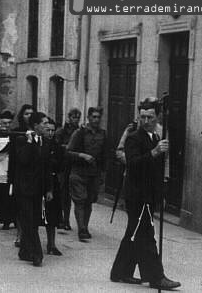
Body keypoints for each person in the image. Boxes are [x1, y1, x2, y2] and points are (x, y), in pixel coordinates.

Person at [110, 98, 180, 290]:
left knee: (134, 232)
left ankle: (120, 272)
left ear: (157, 117)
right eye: (142, 117)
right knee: (146, 236)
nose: (146, 120)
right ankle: (157, 277)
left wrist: (161, 193)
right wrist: (154, 153)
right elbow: (132, 164)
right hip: (136, 196)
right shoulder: (134, 138)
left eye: (149, 117)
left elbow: (157, 171)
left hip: (149, 195)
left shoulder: (156, 138)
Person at [14, 112, 54, 267]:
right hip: (23, 189)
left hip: (38, 190)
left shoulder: (45, 142)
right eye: (43, 124)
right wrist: (30, 143)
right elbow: (22, 160)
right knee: (28, 221)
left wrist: (49, 189)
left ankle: (24, 251)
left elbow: (47, 167)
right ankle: (37, 254)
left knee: (33, 221)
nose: (46, 126)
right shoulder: (21, 140)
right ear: (35, 125)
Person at [67, 107, 108, 242]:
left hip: (94, 174)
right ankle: (82, 229)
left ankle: (85, 226)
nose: (96, 120)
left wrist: (102, 174)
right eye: (93, 117)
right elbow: (68, 152)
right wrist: (82, 155)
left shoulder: (103, 134)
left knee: (89, 201)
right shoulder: (79, 133)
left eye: (98, 117)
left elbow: (105, 155)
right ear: (88, 118)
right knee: (80, 200)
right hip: (78, 172)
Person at [9, 104, 35, 247]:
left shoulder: (37, 130)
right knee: (19, 206)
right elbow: (13, 156)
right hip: (19, 172)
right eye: (26, 113)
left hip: (33, 174)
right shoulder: (16, 132)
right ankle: (19, 233)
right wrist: (11, 177)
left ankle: (28, 233)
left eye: (31, 113)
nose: (29, 116)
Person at [54, 108, 82, 231]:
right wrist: (68, 147)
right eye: (73, 117)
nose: (75, 120)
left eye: (77, 118)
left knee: (71, 195)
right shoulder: (61, 132)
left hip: (74, 165)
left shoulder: (80, 132)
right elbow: (57, 147)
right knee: (62, 193)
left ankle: (66, 220)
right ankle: (61, 219)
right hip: (62, 166)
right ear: (69, 117)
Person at [43, 117, 63, 256]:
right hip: (39, 182)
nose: (50, 133)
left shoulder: (56, 146)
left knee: (52, 214)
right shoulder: (38, 144)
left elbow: (61, 164)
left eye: (52, 131)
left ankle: (51, 244)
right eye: (47, 130)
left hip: (53, 181)